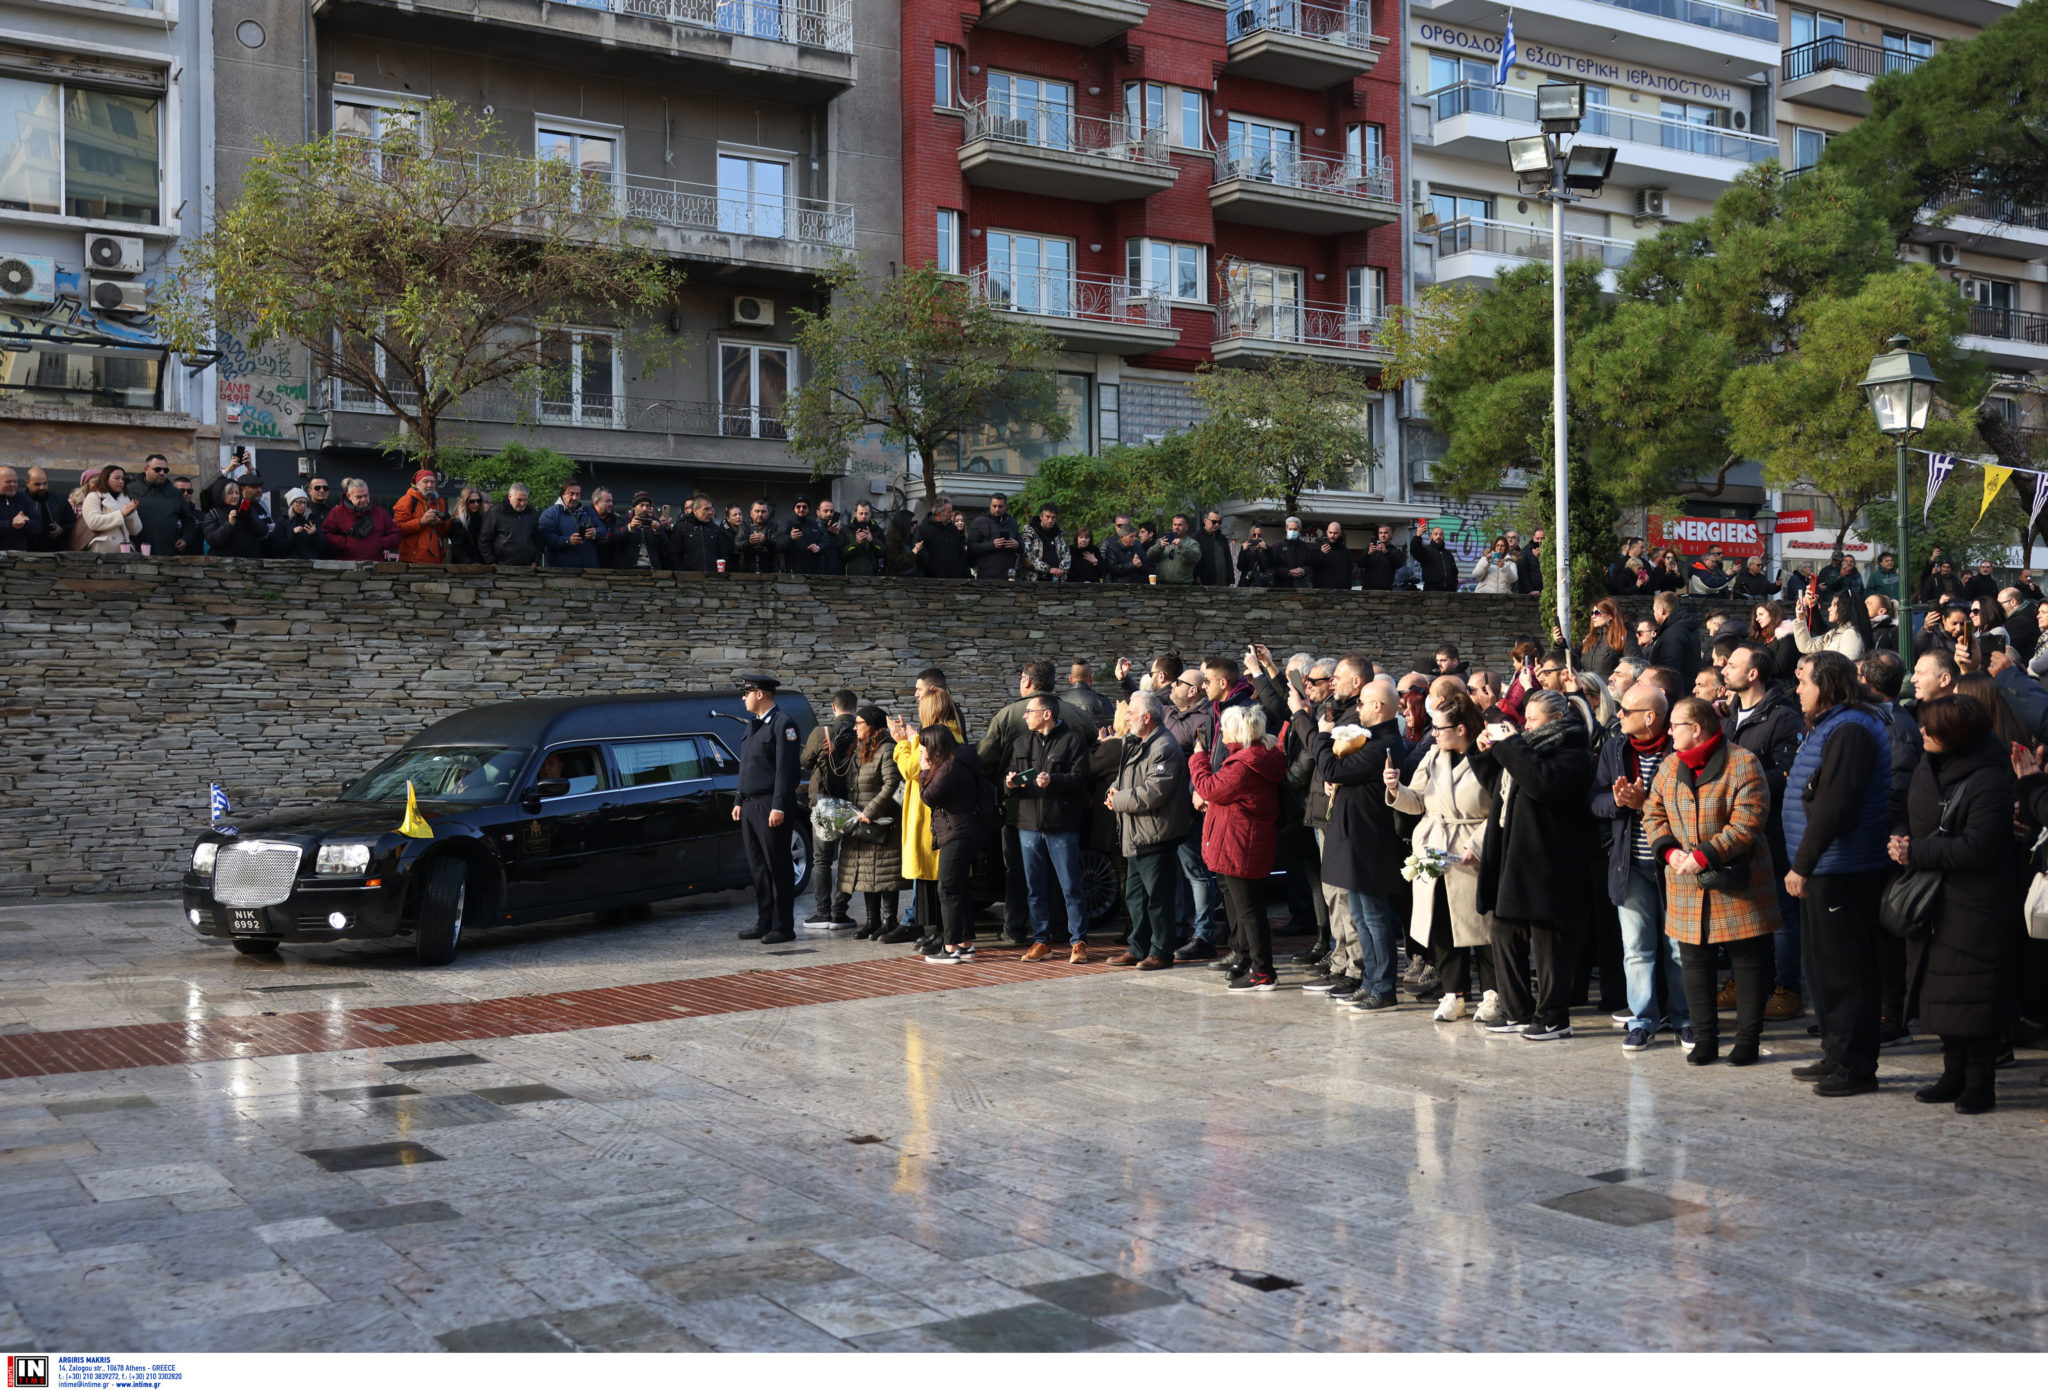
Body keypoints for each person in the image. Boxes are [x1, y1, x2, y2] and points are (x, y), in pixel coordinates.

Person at [1892, 695, 2018, 1114]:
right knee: (1938, 992)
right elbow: (1909, 815)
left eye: (1931, 728)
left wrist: (1918, 852)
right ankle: (1953, 1072)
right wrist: (1900, 839)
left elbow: (1979, 848)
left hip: (1974, 905)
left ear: (1957, 735)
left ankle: (1981, 1082)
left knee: (1972, 997)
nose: (1922, 733)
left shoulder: (1990, 779)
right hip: (1932, 899)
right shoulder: (1928, 764)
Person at [1644, 698, 1780, 1066]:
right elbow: (1652, 810)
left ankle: (1748, 1040)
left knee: (1749, 962)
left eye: (1675, 725)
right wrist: (1669, 852)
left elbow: (1748, 822)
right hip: (1686, 883)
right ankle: (1705, 1038)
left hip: (1739, 881)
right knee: (1695, 962)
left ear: (1697, 729)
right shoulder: (1670, 766)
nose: (1668, 731)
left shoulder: (1743, 762)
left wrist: (1704, 855)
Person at [1784, 651, 1891, 1098]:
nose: (1797, 689)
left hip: (1842, 868)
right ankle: (1837, 1050)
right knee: (1821, 968)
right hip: (1827, 865)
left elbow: (1836, 807)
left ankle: (1856, 1065)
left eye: (1804, 681)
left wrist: (1802, 864)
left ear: (1826, 684)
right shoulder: (1831, 725)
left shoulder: (1850, 729)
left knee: (1845, 970)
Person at [1473, 688, 1596, 1040]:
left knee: (1548, 941)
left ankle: (1554, 1016)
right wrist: (1484, 752)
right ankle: (1517, 1010)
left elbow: (1541, 782)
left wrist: (1510, 745)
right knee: (1503, 931)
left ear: (1556, 720)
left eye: (1534, 719)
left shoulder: (1574, 753)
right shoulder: (1527, 749)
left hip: (1551, 864)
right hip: (1515, 858)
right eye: (1524, 719)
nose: (1525, 725)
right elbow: (1498, 785)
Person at [1385, 692, 1496, 1022]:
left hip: (1471, 848)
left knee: (1482, 927)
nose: (1433, 733)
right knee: (1442, 924)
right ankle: (1454, 993)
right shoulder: (1433, 756)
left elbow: (1502, 807)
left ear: (1461, 728)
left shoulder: (1489, 756)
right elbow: (1416, 801)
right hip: (1434, 847)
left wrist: (1477, 845)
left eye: (1440, 727)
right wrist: (1394, 788)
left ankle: (1493, 994)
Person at [1593, 683, 1691, 1053]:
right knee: (1636, 948)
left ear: (1650, 717)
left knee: (1679, 948)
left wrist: (1646, 800)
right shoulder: (1615, 748)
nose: (1618, 715)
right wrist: (1619, 802)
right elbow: (1595, 800)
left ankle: (1684, 1019)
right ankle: (1643, 1021)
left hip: (1676, 865)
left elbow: (1692, 803)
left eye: (1625, 710)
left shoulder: (1679, 749)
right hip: (1629, 865)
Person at [1722, 642, 1808, 1022]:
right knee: (1743, 910)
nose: (1724, 668)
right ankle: (1747, 980)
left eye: (1733, 664)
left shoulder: (1781, 717)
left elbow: (1789, 775)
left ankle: (1788, 987)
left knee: (1781, 913)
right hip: (1737, 831)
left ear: (1753, 673)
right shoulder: (1730, 716)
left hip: (1772, 830)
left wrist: (1741, 782)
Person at [1315, 681, 1407, 1009]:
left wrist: (1323, 735)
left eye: (1364, 704)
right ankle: (1370, 982)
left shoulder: (1385, 744)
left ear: (1379, 707)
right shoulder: (1370, 741)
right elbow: (1340, 774)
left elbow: (1330, 766)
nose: (1358, 709)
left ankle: (1383, 987)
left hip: (1369, 841)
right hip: (1354, 838)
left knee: (1374, 916)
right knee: (1360, 915)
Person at [1188, 703, 1284, 991]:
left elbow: (1209, 788)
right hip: (1240, 843)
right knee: (1240, 907)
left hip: (1239, 845)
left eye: (1226, 728)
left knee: (1249, 910)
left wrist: (1198, 758)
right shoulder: (1257, 757)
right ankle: (1245, 958)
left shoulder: (1243, 766)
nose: (1222, 733)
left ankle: (1263, 971)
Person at [1105, 690, 1193, 970]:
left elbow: (1154, 792)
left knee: (1158, 899)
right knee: (1136, 897)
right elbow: (1123, 778)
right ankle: (1138, 947)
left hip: (1155, 834)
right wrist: (1112, 792)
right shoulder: (1135, 742)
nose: (1126, 717)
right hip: (1134, 834)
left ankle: (1161, 951)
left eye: (1131, 713)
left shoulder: (1164, 746)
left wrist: (1117, 800)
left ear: (1146, 717)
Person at [1008, 693, 1093, 963]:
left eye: (1030, 711)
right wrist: (1009, 783)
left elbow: (1081, 780)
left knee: (1071, 886)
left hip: (1061, 824)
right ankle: (1041, 941)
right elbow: (1008, 776)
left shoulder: (1072, 740)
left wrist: (1053, 780)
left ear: (1047, 713)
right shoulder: (1021, 742)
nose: (1025, 715)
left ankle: (1078, 940)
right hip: (1028, 825)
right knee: (1034, 887)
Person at [893, 688, 966, 951]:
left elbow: (910, 768)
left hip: (933, 816)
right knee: (927, 878)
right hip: (928, 813)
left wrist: (903, 741)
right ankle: (932, 931)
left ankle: (942, 935)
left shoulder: (940, 736)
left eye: (921, 700)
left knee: (936, 878)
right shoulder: (944, 732)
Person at [731, 674, 801, 946]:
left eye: (746, 692)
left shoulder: (783, 724)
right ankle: (765, 921)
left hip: (769, 805)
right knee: (758, 867)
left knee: (778, 867)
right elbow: (746, 765)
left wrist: (779, 806)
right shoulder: (754, 725)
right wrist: (738, 799)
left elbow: (787, 770)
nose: (743, 697)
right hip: (750, 805)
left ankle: (783, 926)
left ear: (760, 694)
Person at [915, 724, 989, 964]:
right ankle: (966, 944)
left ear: (934, 745)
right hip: (964, 830)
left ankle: (950, 947)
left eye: (925, 744)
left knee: (948, 889)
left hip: (957, 832)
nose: (922, 749)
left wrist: (924, 770)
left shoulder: (950, 766)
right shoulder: (957, 761)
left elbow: (929, 796)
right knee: (958, 889)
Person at [839, 705, 905, 942]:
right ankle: (872, 921)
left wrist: (871, 810)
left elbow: (891, 784)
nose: (855, 727)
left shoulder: (887, 749)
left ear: (873, 726)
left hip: (881, 823)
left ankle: (889, 922)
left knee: (885, 876)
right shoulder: (858, 750)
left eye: (859, 723)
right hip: (861, 824)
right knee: (867, 874)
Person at [801, 689, 859, 931]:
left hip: (824, 802)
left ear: (833, 708)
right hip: (855, 803)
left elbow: (805, 762)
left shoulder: (820, 732)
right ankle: (840, 912)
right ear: (855, 709)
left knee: (822, 860)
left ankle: (822, 913)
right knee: (849, 859)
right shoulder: (863, 731)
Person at [132, 456, 197, 557]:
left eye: (165, 470)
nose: (162, 473)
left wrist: (186, 539)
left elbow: (189, 521)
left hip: (168, 554)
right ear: (146, 469)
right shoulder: (131, 491)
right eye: (157, 469)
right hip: (136, 554)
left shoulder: (175, 493)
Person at [1791, 589, 1873, 662]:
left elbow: (1847, 668)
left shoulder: (1851, 634)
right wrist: (1800, 619)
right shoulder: (1836, 632)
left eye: (1834, 605)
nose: (1829, 609)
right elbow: (1807, 646)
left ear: (1845, 607)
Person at [392, 470, 450, 565]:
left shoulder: (440, 502)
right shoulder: (407, 501)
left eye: (432, 482)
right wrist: (421, 522)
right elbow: (397, 529)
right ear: (417, 484)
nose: (429, 485)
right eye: (425, 481)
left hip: (436, 559)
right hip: (412, 560)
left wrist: (442, 523)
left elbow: (446, 532)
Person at [82, 465, 143, 553]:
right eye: (117, 478)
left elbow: (136, 530)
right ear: (106, 479)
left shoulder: (126, 499)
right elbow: (93, 522)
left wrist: (130, 514)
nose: (121, 481)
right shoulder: (94, 496)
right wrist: (121, 513)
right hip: (101, 552)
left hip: (124, 552)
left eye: (123, 479)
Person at [201, 479, 269, 558]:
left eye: (237, 493)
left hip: (250, 562)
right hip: (224, 564)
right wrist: (229, 524)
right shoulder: (213, 514)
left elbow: (264, 532)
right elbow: (212, 539)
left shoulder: (247, 510)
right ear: (222, 495)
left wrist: (249, 519)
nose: (235, 496)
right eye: (230, 493)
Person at [610, 493, 673, 571]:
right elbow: (615, 538)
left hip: (651, 569)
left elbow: (666, 545)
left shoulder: (655, 521)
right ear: (634, 506)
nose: (645, 508)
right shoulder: (623, 519)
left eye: (647, 506)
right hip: (627, 569)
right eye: (641, 505)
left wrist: (658, 530)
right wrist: (629, 527)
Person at [913, 497, 971, 579]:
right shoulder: (923, 530)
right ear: (938, 513)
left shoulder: (953, 529)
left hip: (955, 579)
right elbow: (922, 557)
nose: (951, 515)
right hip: (932, 580)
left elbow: (960, 553)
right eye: (949, 512)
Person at [25, 467, 79, 554]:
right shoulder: (20, 500)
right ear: (27, 483)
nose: (42, 487)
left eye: (45, 483)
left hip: (56, 551)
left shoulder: (59, 499)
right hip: (27, 552)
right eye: (37, 484)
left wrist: (62, 529)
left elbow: (74, 524)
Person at [1578, 597, 1634, 680]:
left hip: (1610, 690)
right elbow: (1573, 658)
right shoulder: (1591, 637)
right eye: (1592, 613)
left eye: (1597, 613)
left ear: (1611, 615)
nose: (1592, 616)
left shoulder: (1624, 635)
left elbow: (1633, 664)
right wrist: (1560, 644)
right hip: (1588, 689)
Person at [676, 495, 732, 574]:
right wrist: (681, 574)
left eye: (711, 508)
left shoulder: (716, 529)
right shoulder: (681, 528)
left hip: (713, 578)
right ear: (695, 510)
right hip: (688, 578)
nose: (710, 512)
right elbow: (674, 554)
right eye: (706, 509)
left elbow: (723, 554)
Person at [266, 487, 327, 559]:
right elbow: (277, 546)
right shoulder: (283, 521)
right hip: (290, 564)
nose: (303, 505)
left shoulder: (312, 519)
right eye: (299, 502)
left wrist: (315, 534)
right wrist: (293, 534)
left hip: (311, 563)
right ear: (291, 503)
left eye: (305, 502)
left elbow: (323, 546)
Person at [1019, 503, 1070, 582]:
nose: (1050, 520)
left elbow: (1066, 555)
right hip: (1035, 580)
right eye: (1047, 517)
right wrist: (1048, 569)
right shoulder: (1030, 534)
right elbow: (1028, 557)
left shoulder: (1059, 535)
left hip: (1057, 580)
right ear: (1041, 516)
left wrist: (1062, 569)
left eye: (1053, 517)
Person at [778, 494, 828, 575]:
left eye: (804, 507)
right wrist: (790, 538)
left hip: (813, 572)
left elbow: (825, 542)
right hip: (792, 572)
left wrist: (819, 547)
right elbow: (778, 545)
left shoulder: (815, 524)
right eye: (798, 506)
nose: (801, 509)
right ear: (794, 508)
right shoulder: (786, 524)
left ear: (808, 509)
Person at [841, 501, 887, 577]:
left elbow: (883, 552)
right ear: (855, 514)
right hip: (852, 576)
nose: (863, 516)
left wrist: (872, 541)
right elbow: (842, 554)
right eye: (861, 513)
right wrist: (856, 543)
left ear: (870, 514)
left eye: (866, 513)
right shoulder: (846, 530)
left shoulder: (877, 530)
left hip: (873, 576)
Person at [1064, 661, 1116, 729]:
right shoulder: (1102, 701)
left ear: (1070, 679)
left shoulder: (1058, 700)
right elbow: (1109, 730)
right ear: (1091, 678)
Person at [1410, 521, 1458, 592]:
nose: (1438, 536)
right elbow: (1414, 550)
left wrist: (1454, 586)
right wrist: (1417, 536)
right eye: (1436, 534)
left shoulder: (1448, 554)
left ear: (1443, 537)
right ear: (1431, 537)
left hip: (1449, 592)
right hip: (1432, 591)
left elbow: (1454, 572)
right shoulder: (1426, 551)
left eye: (1441, 534)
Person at [1268, 516, 1312, 589]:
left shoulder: (1304, 546)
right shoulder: (1277, 546)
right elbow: (1271, 567)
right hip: (1281, 587)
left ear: (1299, 530)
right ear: (1286, 529)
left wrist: (1303, 570)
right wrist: (1288, 572)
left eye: (1295, 529)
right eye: (1290, 529)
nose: (1292, 531)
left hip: (1300, 587)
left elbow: (1310, 565)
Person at [735, 500, 778, 574]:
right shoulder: (744, 526)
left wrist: (765, 541)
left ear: (768, 513)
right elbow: (737, 545)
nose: (760, 514)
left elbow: (779, 546)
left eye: (763, 511)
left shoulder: (774, 526)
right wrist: (749, 542)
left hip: (769, 570)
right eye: (757, 511)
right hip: (747, 569)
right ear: (751, 513)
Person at [447, 487, 487, 565]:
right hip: (463, 564)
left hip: (480, 563)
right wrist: (469, 563)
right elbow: (457, 547)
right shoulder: (458, 521)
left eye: (478, 501)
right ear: (465, 502)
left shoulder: (482, 518)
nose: (476, 504)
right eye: (472, 501)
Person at [1193, 510, 1233, 587]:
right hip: (1204, 585)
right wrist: (1197, 579)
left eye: (1219, 522)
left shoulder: (1222, 538)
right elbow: (1193, 562)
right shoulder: (1196, 538)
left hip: (1223, 584)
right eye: (1214, 522)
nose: (1217, 524)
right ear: (1205, 520)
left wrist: (1230, 579)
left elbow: (1228, 559)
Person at [1355, 524, 1400, 591]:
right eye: (1380, 533)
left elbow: (1398, 564)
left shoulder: (1394, 550)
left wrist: (1387, 553)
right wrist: (1368, 554)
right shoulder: (1370, 548)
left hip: (1386, 589)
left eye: (1385, 533)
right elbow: (1360, 564)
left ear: (1391, 534)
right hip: (1368, 589)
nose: (1383, 535)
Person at [1309, 521, 1351, 590]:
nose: (1332, 535)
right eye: (1330, 532)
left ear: (1340, 533)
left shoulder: (1345, 551)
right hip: (1322, 589)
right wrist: (1321, 554)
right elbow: (1312, 566)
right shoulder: (1318, 546)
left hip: (1340, 590)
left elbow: (1348, 572)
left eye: (1335, 533)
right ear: (1326, 532)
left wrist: (1348, 589)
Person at [0, 468, 30, 550]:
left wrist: (25, 522)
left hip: (19, 556)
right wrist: (11, 524)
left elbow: (38, 525)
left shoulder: (23, 499)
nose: (13, 484)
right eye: (8, 482)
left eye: (15, 481)